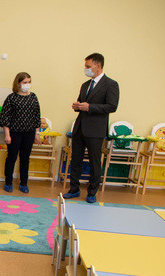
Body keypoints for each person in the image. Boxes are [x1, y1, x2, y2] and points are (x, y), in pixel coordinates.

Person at [65, 53, 119, 203]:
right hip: (79, 128)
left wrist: (90, 107)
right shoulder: (85, 85)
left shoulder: (111, 84)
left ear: (98, 66)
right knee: (75, 160)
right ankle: (74, 189)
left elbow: (112, 106)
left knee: (94, 162)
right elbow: (81, 102)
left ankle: (92, 192)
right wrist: (77, 106)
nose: (86, 69)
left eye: (88, 66)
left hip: (95, 130)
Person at [0, 72, 41, 194]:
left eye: (29, 82)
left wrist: (37, 133)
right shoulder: (11, 98)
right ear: (18, 83)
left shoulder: (33, 97)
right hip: (14, 133)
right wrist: (7, 135)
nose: (27, 84)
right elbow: (5, 117)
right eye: (25, 82)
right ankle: (8, 182)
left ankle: (24, 183)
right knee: (11, 157)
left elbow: (37, 116)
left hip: (29, 133)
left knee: (25, 158)